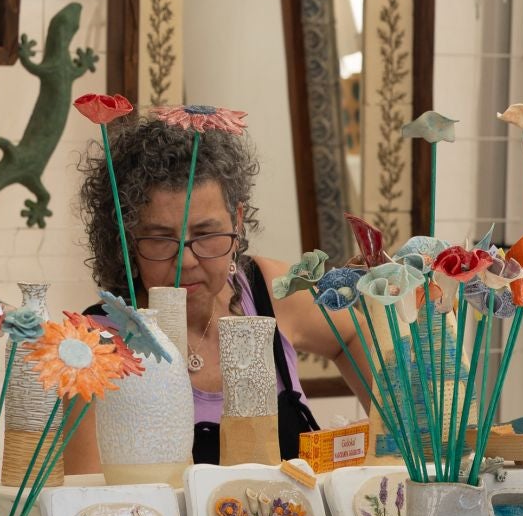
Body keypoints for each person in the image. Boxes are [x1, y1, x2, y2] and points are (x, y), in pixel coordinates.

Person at [64, 116, 370, 468]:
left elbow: (352, 336)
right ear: (125, 238)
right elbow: (88, 508)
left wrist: (389, 446)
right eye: (161, 239)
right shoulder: (95, 346)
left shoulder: (271, 290)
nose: (186, 261)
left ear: (237, 222)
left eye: (207, 234)